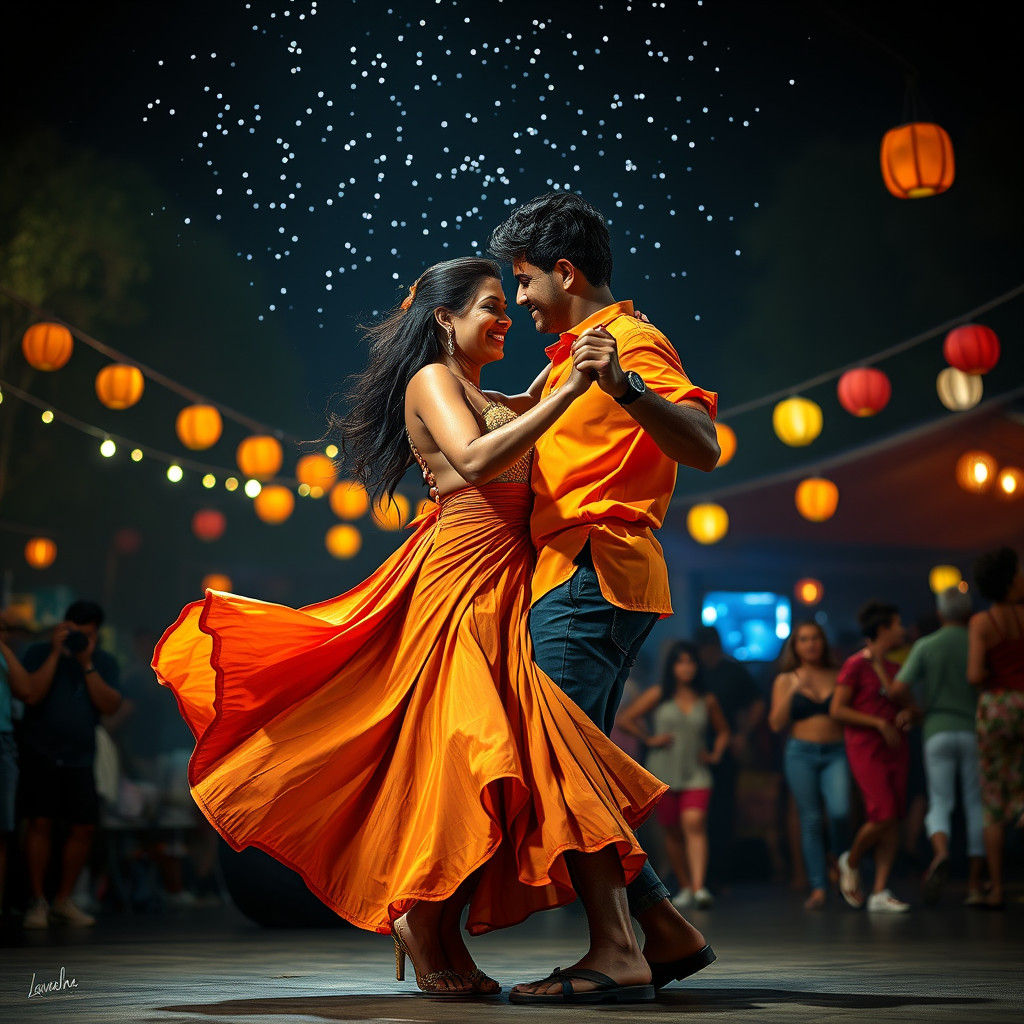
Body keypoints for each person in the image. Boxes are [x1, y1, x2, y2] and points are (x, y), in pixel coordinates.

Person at [153, 256, 671, 1002]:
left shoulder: (487, 391)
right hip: (458, 586)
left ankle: (445, 923)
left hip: (503, 584)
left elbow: (536, 404)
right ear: (443, 319)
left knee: (480, 767)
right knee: (465, 758)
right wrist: (571, 393)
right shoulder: (433, 382)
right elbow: (474, 457)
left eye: (508, 302)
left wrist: (609, 347)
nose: (505, 317)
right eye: (493, 305)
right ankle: (429, 925)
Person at [488, 191, 721, 1003]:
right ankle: (662, 930)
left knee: (559, 764)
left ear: (564, 271)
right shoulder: (568, 358)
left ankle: (620, 950)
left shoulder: (626, 342)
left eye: (525, 282)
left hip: (594, 571)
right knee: (570, 763)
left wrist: (627, 389)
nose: (520, 301)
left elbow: (705, 444)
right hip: (575, 576)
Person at [18, 601, 122, 928]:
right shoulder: (39, 652)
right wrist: (55, 652)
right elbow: (31, 695)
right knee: (40, 823)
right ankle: (38, 901)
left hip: (80, 756)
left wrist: (86, 662)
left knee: (83, 827)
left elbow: (110, 705)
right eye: (76, 632)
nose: (81, 639)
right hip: (41, 752)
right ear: (64, 626)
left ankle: (63, 899)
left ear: (97, 634)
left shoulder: (102, 661)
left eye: (88, 634)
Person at [616, 641, 730, 909]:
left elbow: (724, 730)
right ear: (672, 666)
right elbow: (625, 719)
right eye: (680, 662)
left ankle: (700, 887)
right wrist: (649, 739)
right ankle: (687, 886)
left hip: (697, 772)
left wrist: (715, 754)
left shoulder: (707, 699)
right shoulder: (659, 694)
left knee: (694, 823)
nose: (686, 667)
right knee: (672, 831)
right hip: (663, 770)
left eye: (691, 662)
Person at [890, 587, 985, 905]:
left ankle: (941, 853)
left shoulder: (926, 645)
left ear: (941, 613)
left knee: (940, 801)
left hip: (936, 730)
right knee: (974, 805)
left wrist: (916, 708)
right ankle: (974, 882)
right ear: (969, 614)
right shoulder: (977, 641)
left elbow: (898, 687)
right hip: (973, 729)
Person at [831, 601, 919, 913]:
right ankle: (850, 860)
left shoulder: (896, 667)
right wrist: (878, 722)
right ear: (882, 629)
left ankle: (880, 890)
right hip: (866, 746)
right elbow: (837, 709)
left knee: (893, 816)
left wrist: (907, 713)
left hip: (896, 746)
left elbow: (913, 706)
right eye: (897, 624)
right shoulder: (856, 664)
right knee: (882, 812)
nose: (902, 629)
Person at [768, 621, 850, 910]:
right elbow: (776, 723)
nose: (811, 644)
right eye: (804, 640)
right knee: (811, 820)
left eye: (816, 638)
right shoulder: (785, 679)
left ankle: (843, 870)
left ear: (824, 642)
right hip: (800, 753)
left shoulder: (839, 675)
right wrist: (793, 690)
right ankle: (818, 887)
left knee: (841, 812)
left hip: (836, 751)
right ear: (796, 646)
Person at [966, 546, 1024, 910]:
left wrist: (995, 674)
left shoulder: (982, 623)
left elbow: (973, 674)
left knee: (992, 800)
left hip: (996, 707)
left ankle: (998, 888)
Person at [693, 624, 766, 882]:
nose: (707, 653)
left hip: (725, 748)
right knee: (697, 811)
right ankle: (699, 875)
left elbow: (757, 702)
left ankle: (720, 875)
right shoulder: (694, 671)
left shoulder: (732, 670)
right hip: (695, 748)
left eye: (711, 647)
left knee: (723, 810)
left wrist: (743, 734)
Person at [1, 615, 38, 916]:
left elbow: (25, 689)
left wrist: (3, 646)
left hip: (3, 739)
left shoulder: (5, 655)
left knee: (4, 828)